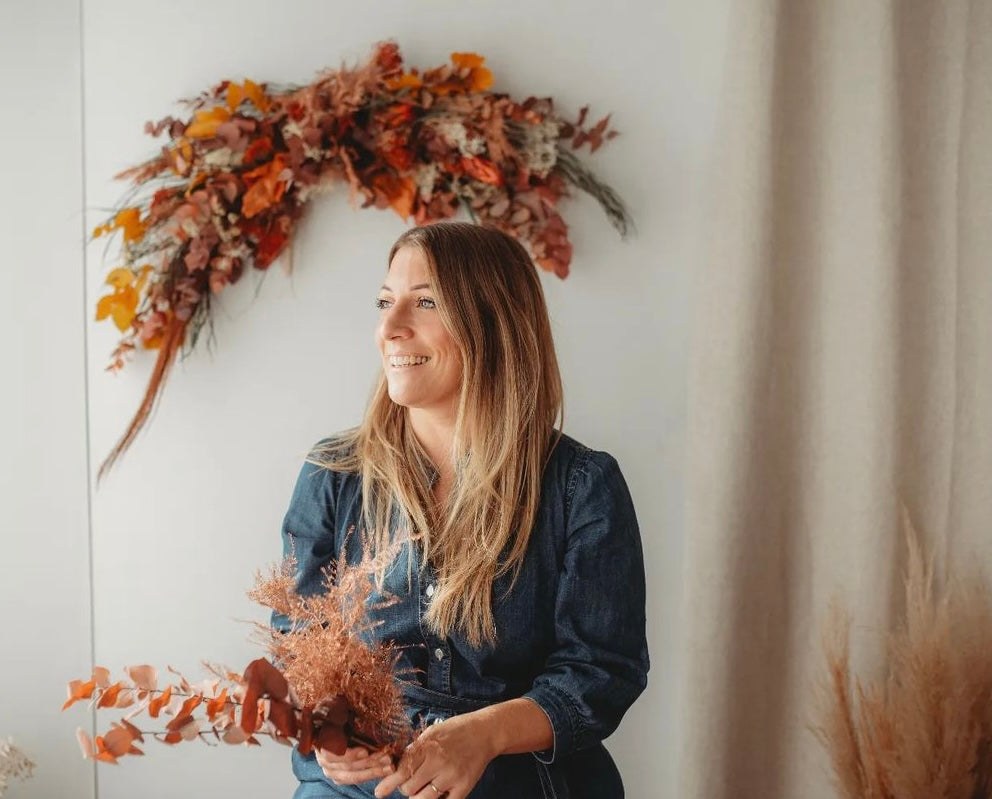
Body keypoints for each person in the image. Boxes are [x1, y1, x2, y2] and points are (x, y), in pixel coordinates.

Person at [276, 221, 649, 798]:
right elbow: (296, 636)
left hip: (521, 781)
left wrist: (483, 735)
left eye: (425, 302)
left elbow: (602, 670)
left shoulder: (582, 486)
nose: (389, 328)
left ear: (492, 321)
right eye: (384, 301)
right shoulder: (334, 472)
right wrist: (327, 721)